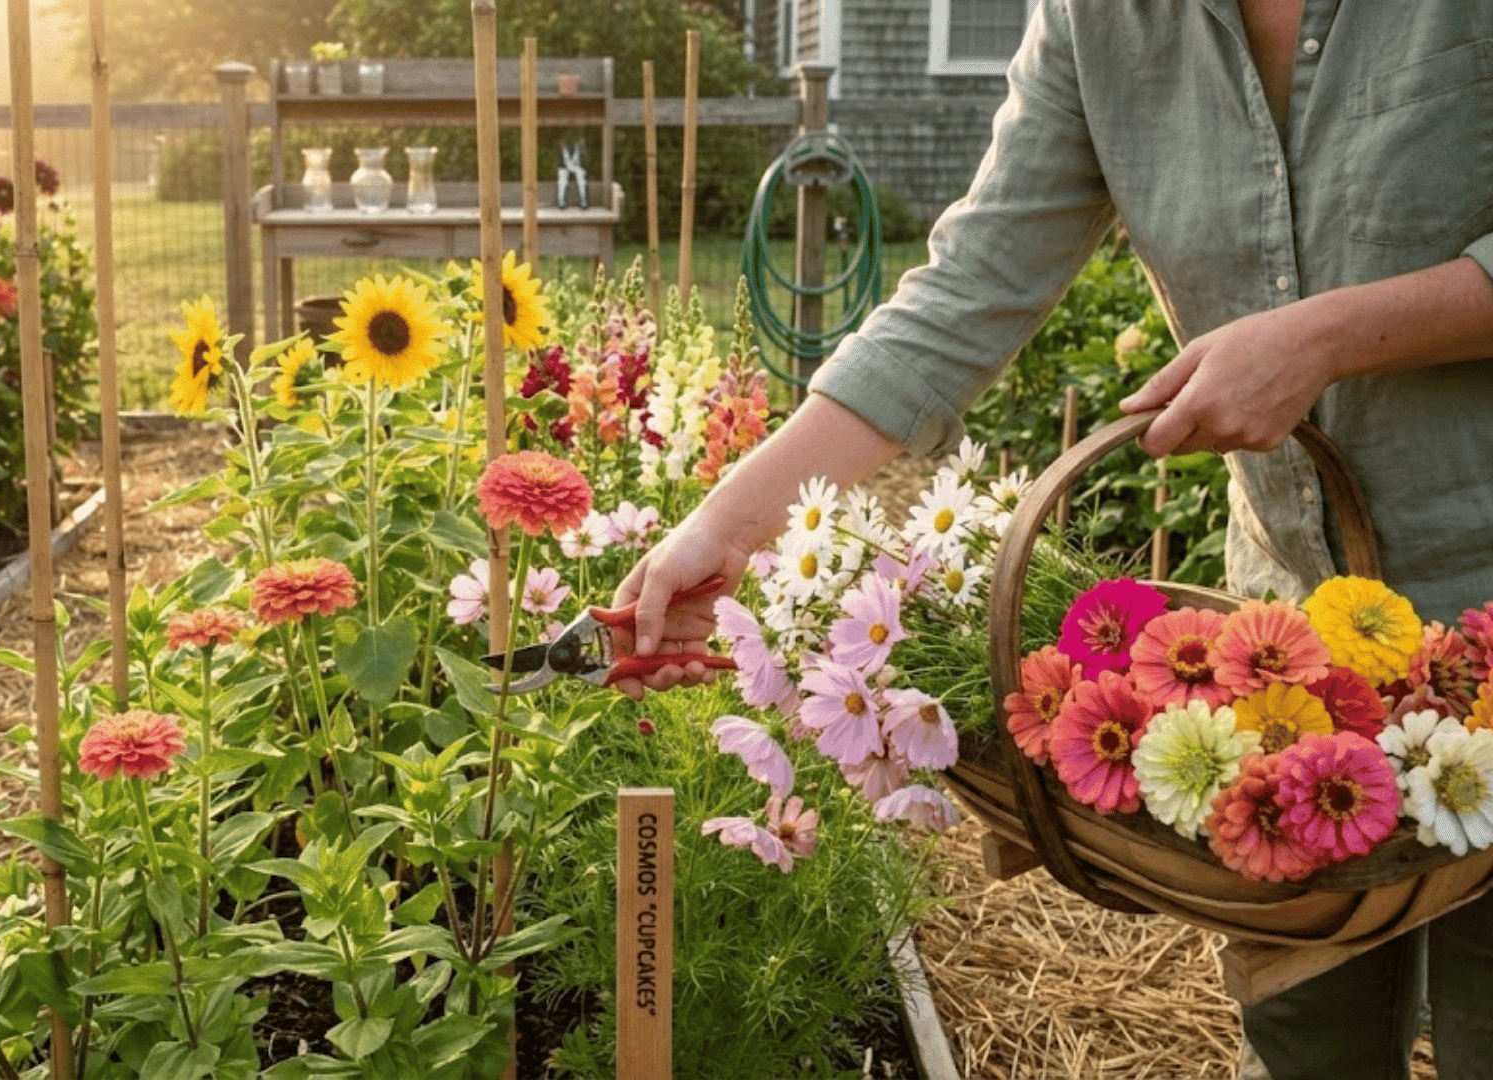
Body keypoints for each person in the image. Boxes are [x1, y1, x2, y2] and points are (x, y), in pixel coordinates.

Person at [611, 2, 1493, 1077]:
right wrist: (724, 526)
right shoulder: (1099, 20)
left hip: (1485, 605)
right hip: (1291, 656)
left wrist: (1326, 338)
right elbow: (970, 288)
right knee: (1308, 1035)